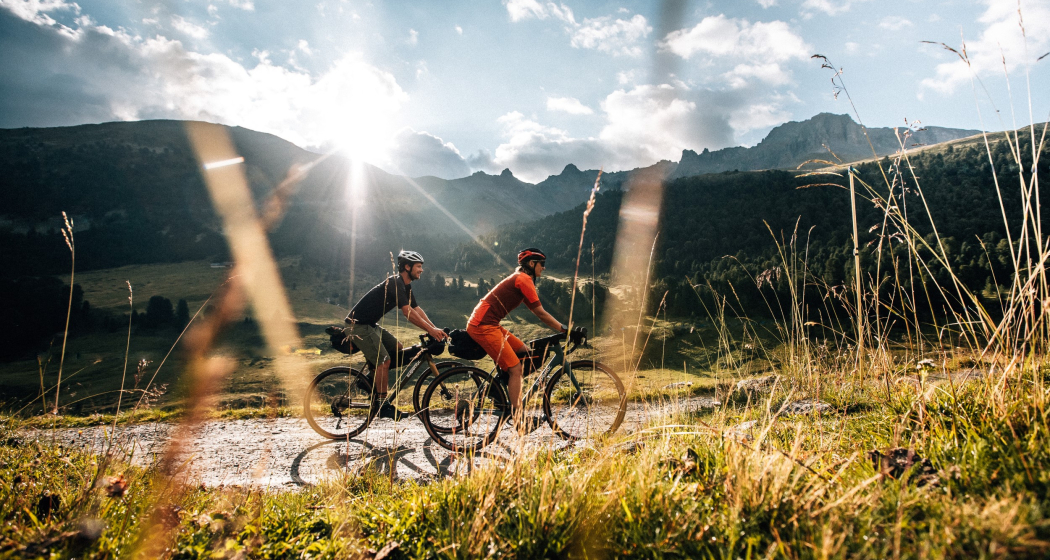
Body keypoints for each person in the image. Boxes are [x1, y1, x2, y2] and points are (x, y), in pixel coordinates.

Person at [466, 247, 584, 429]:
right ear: (531, 264)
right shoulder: (523, 279)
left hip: (491, 324)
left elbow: (537, 311)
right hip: (483, 326)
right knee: (516, 368)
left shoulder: (520, 279)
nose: (543, 268)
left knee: (525, 352)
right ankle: (519, 420)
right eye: (542, 264)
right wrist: (565, 330)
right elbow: (541, 313)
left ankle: (496, 391)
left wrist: (562, 330)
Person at [344, 250, 448, 420]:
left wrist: (434, 329)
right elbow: (407, 312)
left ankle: (369, 380)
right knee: (384, 360)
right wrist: (430, 331)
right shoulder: (395, 283)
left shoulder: (405, 285)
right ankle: (382, 405)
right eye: (419, 267)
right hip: (358, 326)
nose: (421, 270)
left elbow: (417, 309)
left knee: (397, 347)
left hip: (369, 324)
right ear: (407, 267)